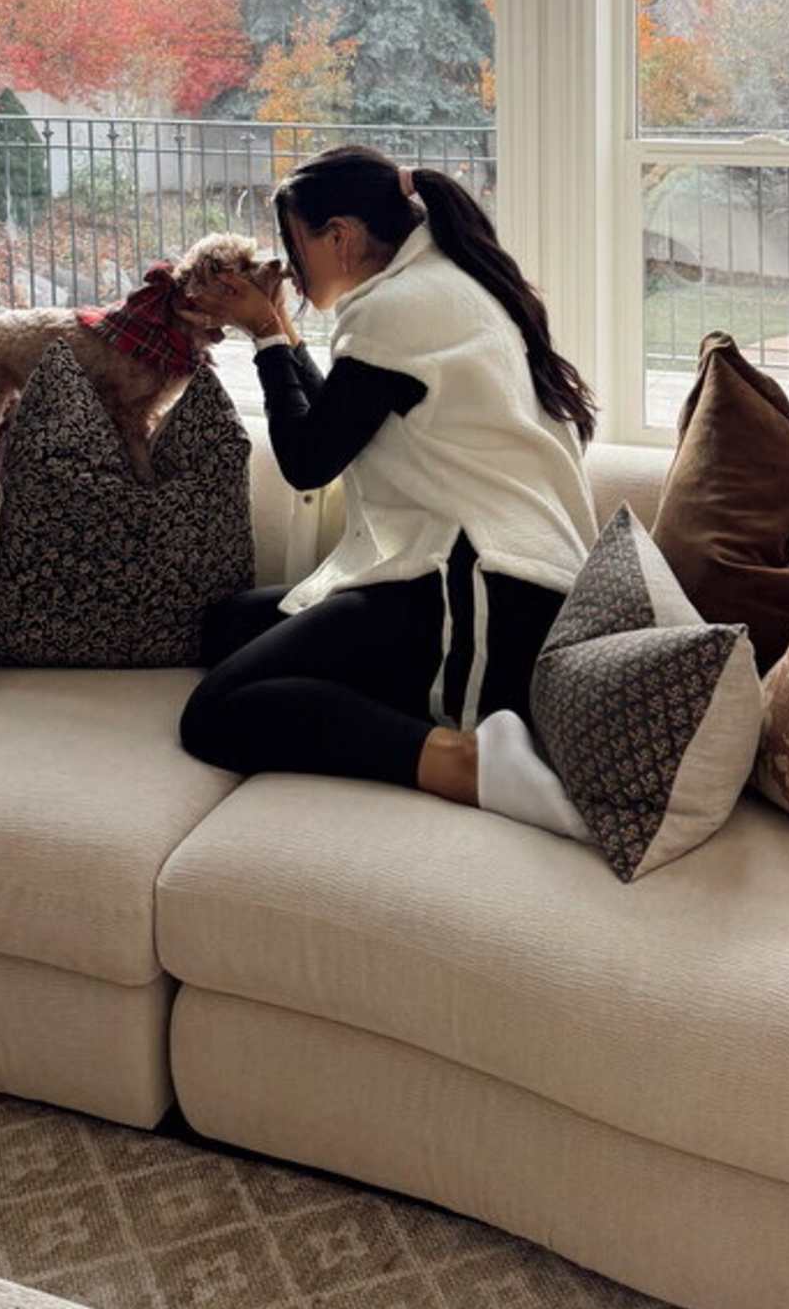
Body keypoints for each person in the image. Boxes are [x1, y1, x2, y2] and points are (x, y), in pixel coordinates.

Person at [179, 143, 598, 813]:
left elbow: (309, 462)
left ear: (339, 237)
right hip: (479, 579)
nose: (284, 264)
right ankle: (406, 704)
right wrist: (279, 331)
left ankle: (468, 762)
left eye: (293, 241)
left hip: (481, 595)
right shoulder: (440, 285)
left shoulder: (400, 307)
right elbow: (342, 424)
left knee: (215, 714)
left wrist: (264, 336)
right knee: (228, 627)